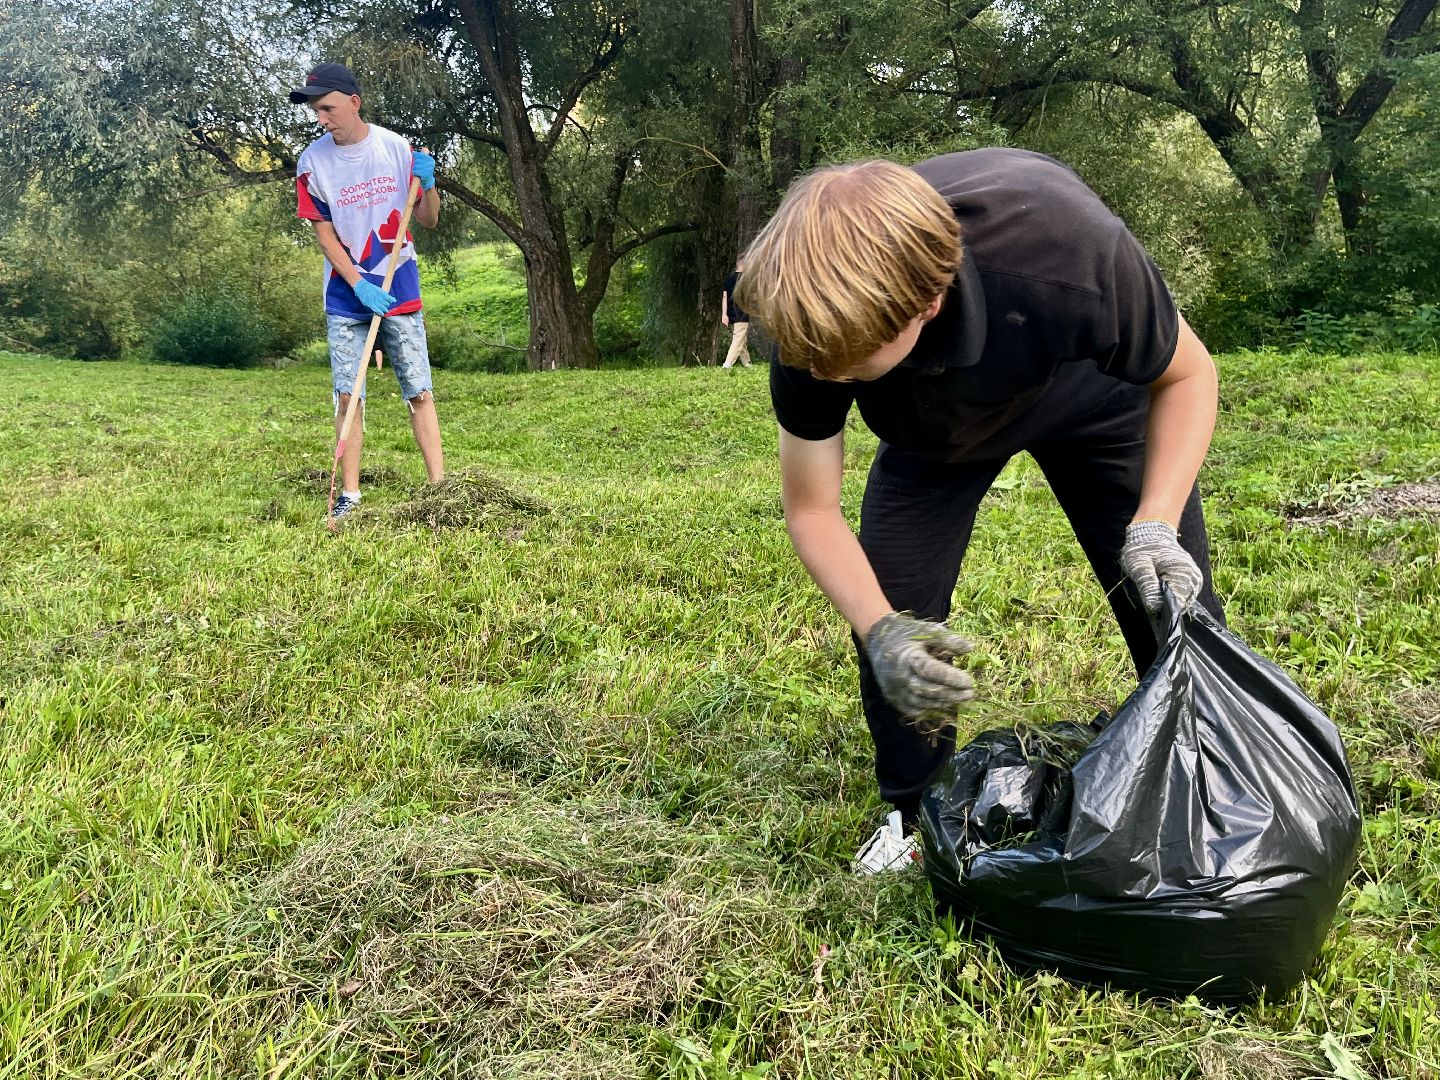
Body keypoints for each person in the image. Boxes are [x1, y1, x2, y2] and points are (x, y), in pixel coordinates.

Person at [734, 148, 1225, 873]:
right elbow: (811, 509)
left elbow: (1189, 372)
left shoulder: (1066, 251)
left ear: (927, 304)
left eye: (849, 363)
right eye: (814, 361)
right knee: (894, 609)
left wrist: (1154, 519)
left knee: (1171, 600)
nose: (825, 376)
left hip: (1091, 395)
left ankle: (1207, 785)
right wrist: (881, 630)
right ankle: (913, 813)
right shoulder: (814, 326)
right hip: (933, 435)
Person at [291, 63, 445, 521]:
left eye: (328, 108)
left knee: (418, 389)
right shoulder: (312, 163)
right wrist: (358, 284)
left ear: (354, 102)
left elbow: (429, 219)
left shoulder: (395, 149)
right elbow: (324, 236)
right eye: (317, 111)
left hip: (399, 288)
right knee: (348, 394)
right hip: (345, 295)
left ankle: (439, 488)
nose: (322, 118)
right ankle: (350, 495)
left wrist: (430, 184)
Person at [720, 262, 753, 368]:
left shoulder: (729, 278)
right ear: (743, 263)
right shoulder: (745, 279)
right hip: (741, 312)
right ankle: (728, 363)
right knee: (738, 337)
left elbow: (724, 297)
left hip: (731, 311)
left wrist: (724, 314)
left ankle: (746, 362)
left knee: (741, 336)